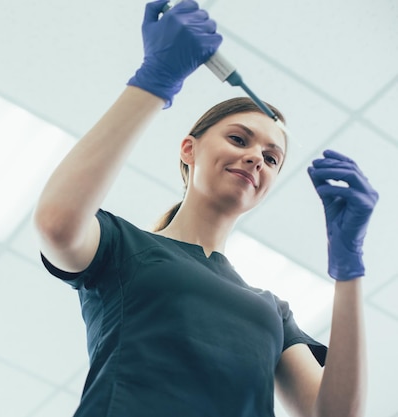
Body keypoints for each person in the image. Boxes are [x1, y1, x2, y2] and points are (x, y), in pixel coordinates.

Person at [33, 1, 379, 416]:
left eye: (271, 158)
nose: (256, 157)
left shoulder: (272, 312)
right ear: (188, 149)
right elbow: (57, 223)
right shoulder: (123, 248)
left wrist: (350, 269)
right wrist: (154, 80)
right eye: (239, 139)